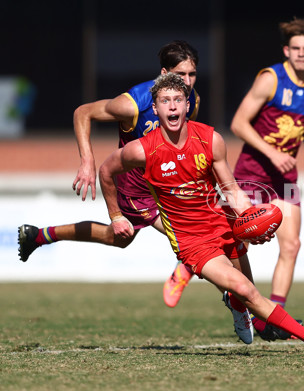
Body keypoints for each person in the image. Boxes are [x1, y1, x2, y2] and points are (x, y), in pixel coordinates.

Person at [98, 72, 304, 357]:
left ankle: (237, 306)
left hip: (222, 224)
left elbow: (232, 190)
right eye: (165, 101)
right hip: (191, 242)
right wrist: (116, 216)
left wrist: (250, 220)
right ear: (156, 108)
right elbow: (106, 171)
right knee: (243, 288)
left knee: (245, 289)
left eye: (177, 100)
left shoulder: (211, 139)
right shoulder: (142, 150)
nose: (172, 107)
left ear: (188, 105)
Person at [164, 17, 304, 341]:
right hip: (253, 171)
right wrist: (272, 152)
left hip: (285, 176)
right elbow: (239, 123)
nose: (301, 54)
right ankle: (189, 267)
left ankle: (271, 319)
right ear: (286, 50)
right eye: (295, 48)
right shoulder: (270, 79)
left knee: (291, 245)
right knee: (235, 243)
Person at [17, 40, 200, 307]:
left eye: (192, 74)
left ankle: (38, 235)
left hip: (162, 181)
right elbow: (83, 112)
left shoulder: (191, 101)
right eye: (180, 74)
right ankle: (230, 296)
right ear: (164, 74)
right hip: (135, 187)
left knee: (118, 239)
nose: (187, 80)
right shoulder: (133, 104)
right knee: (194, 236)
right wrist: (87, 161)